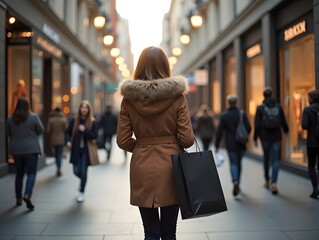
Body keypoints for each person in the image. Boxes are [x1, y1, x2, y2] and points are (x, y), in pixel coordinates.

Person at [116, 46, 194, 240]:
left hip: (142, 165)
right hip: (171, 167)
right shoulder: (177, 97)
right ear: (165, 66)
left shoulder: (128, 100)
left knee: (150, 232)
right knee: (169, 233)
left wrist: (142, 146)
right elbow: (187, 140)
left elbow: (122, 140)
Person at [6, 98, 44, 210]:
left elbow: (8, 133)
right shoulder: (33, 117)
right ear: (28, 105)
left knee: (19, 174)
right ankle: (27, 194)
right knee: (31, 173)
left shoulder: (10, 119)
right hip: (31, 149)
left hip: (17, 151)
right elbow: (41, 130)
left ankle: (18, 198)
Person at [253, 87, 289, 195]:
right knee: (275, 160)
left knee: (266, 158)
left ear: (263, 95)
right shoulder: (278, 106)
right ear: (272, 94)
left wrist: (255, 138)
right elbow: (283, 120)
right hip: (276, 136)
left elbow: (257, 124)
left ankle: (266, 180)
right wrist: (286, 130)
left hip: (264, 137)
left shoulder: (260, 108)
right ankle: (274, 183)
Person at [215, 95, 251, 196]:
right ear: (236, 103)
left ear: (228, 103)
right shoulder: (242, 114)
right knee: (239, 163)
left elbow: (220, 132)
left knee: (233, 163)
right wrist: (243, 134)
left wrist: (217, 145)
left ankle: (235, 181)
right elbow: (249, 127)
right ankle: (238, 182)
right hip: (241, 143)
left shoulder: (224, 116)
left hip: (230, 143)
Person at [65, 100, 98, 203]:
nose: (84, 109)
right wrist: (67, 141)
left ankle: (81, 192)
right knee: (76, 171)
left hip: (86, 151)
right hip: (75, 150)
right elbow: (67, 132)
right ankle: (83, 181)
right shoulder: (74, 120)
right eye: (82, 107)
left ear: (89, 109)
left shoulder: (92, 121)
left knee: (83, 172)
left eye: (86, 107)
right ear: (79, 109)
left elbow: (94, 135)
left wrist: (85, 130)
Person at [301, 89, 319, 199]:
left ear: (311, 99)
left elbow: (304, 125)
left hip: (312, 142)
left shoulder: (307, 110)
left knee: (311, 166)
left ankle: (315, 189)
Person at [46, 106, 68, 177]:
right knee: (59, 154)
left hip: (53, 140)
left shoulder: (50, 119)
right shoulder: (63, 119)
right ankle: (59, 168)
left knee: (56, 154)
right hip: (61, 139)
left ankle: (57, 167)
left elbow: (48, 130)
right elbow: (66, 129)